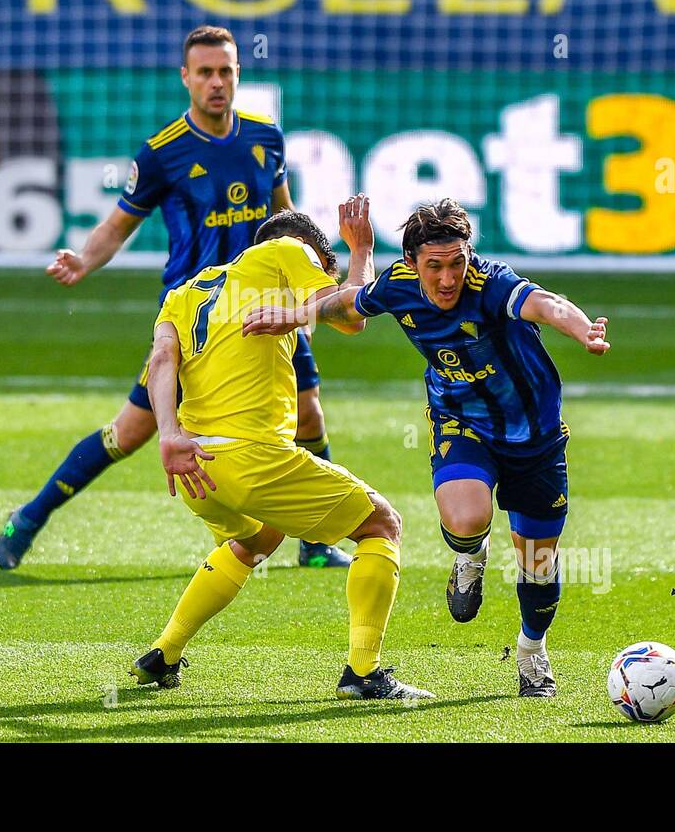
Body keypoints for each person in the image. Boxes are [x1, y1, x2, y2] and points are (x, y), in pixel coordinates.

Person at [0, 25, 349, 569]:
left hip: (265, 311)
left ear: (238, 75)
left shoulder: (266, 138)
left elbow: (288, 218)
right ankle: (31, 517)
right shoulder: (163, 153)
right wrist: (85, 259)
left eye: (225, 72)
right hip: (200, 317)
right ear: (186, 78)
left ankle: (316, 544)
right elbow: (117, 225)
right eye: (204, 72)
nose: (216, 83)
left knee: (309, 417)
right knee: (129, 433)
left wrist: (318, 267)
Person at [244, 199, 611, 698]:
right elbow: (343, 305)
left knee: (538, 566)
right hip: (461, 422)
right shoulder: (397, 284)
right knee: (465, 518)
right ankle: (471, 555)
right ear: (413, 262)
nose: (447, 278)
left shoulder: (492, 284)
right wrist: (292, 314)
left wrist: (583, 329)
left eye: (456, 262)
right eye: (434, 266)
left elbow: (548, 305)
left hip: (536, 435)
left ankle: (531, 650)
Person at [131, 196, 432, 700]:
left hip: (197, 469)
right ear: (309, 250)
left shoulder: (186, 291)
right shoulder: (292, 249)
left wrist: (167, 434)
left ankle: (164, 654)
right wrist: (360, 250)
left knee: (257, 540)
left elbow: (162, 359)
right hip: (253, 458)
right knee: (383, 525)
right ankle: (364, 672)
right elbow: (351, 313)